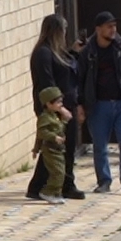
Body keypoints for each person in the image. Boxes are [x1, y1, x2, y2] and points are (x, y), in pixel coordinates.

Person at [76, 11, 121, 193]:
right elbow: (79, 78)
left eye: (114, 26)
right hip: (98, 104)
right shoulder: (88, 52)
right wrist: (80, 104)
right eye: (109, 26)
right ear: (98, 29)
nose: (113, 29)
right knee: (100, 145)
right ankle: (104, 181)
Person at [26, 15, 85, 201]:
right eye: (63, 30)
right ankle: (54, 185)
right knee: (56, 147)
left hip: (65, 104)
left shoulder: (56, 51)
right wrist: (59, 108)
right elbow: (47, 84)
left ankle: (52, 184)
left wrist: (74, 52)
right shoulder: (43, 53)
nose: (65, 34)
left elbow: (66, 70)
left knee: (60, 146)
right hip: (53, 109)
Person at [33, 86, 71, 205]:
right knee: (57, 172)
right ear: (49, 104)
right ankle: (47, 192)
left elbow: (59, 128)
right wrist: (53, 138)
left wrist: (65, 120)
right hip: (50, 149)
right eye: (58, 102)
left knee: (61, 172)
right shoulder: (45, 117)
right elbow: (41, 133)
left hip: (58, 149)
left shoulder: (54, 116)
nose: (61, 105)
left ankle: (56, 193)